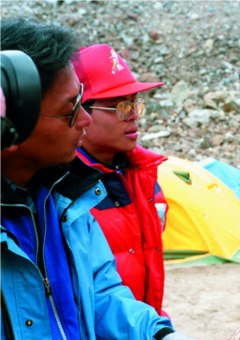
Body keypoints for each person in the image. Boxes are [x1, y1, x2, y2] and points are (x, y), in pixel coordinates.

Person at [1, 18, 179, 339]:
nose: (83, 119)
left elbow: (100, 296)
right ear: (13, 119)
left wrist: (157, 334)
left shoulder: (69, 200)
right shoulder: (79, 195)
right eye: (72, 107)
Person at [70, 44, 169, 316]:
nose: (134, 115)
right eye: (119, 107)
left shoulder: (143, 173)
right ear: (81, 112)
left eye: (135, 103)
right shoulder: (62, 188)